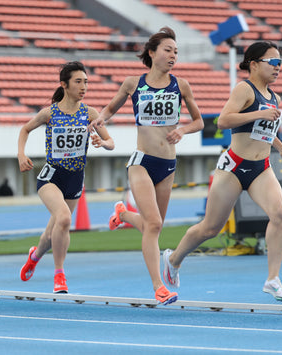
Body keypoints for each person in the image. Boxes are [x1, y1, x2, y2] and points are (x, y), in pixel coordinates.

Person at [162, 41, 282, 303]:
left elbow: (263, 130)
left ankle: (273, 279)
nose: (279, 68)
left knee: (279, 213)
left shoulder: (274, 97)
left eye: (281, 63)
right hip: (234, 167)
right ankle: (173, 258)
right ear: (255, 64)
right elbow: (223, 121)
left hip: (261, 168)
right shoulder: (244, 89)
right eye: (274, 63)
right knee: (211, 228)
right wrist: (258, 113)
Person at [89, 27, 204, 305]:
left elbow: (199, 121)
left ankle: (123, 216)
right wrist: (100, 120)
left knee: (155, 225)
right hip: (141, 161)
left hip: (168, 164)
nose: (173, 55)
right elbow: (110, 108)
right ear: (152, 53)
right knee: (153, 224)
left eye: (176, 51)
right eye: (168, 50)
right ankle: (159, 287)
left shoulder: (182, 85)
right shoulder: (133, 83)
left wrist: (183, 131)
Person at [18, 61, 114, 294]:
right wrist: (21, 154)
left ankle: (35, 255)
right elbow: (25, 129)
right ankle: (59, 275)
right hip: (52, 176)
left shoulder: (90, 113)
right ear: (64, 84)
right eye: (78, 82)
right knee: (63, 218)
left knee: (52, 234)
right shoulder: (49, 113)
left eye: (86, 82)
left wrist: (102, 143)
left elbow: (111, 142)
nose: (84, 87)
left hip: (74, 179)